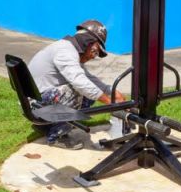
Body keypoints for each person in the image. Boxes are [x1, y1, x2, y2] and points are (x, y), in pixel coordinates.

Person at [28, 19, 125, 149]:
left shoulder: (68, 49)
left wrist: (112, 92)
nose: (93, 57)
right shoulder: (65, 51)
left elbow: (89, 79)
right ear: (87, 42)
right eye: (95, 51)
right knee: (80, 90)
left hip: (38, 101)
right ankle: (57, 136)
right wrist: (109, 102)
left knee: (89, 90)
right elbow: (80, 82)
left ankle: (48, 126)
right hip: (36, 107)